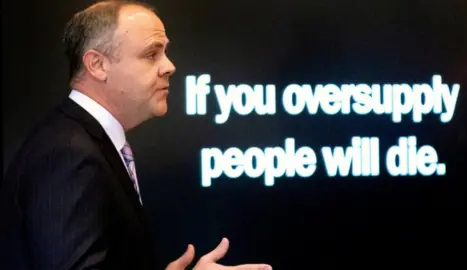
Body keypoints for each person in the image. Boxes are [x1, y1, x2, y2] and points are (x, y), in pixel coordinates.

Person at [0, 1, 272, 270]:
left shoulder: (78, 141)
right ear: (97, 65)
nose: (169, 66)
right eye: (151, 54)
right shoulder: (69, 155)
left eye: (165, 52)